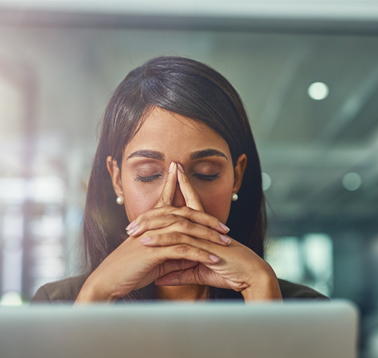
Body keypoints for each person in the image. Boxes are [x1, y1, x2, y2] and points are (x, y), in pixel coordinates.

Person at [31, 56, 327, 304]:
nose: (178, 200)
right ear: (117, 180)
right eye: (148, 175)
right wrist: (97, 294)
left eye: (205, 174)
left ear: (236, 177)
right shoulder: (60, 304)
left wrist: (260, 288)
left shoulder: (303, 308)